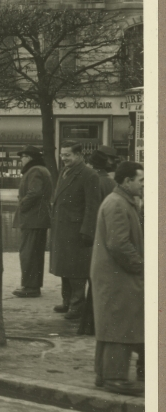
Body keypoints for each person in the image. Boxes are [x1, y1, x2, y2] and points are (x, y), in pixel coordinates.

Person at [90, 161, 144, 395]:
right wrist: (141, 266)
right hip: (116, 275)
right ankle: (114, 378)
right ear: (126, 181)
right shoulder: (117, 204)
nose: (143, 185)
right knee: (119, 324)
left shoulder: (121, 201)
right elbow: (119, 244)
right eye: (140, 180)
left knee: (113, 323)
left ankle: (105, 375)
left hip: (113, 273)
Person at [48, 143, 101, 320]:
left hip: (76, 232)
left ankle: (77, 305)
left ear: (79, 155)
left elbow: (92, 206)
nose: (63, 158)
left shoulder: (88, 174)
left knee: (77, 270)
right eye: (62, 155)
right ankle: (68, 301)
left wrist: (87, 231)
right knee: (65, 268)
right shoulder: (65, 172)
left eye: (68, 155)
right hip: (63, 230)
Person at [77, 146, 118, 335]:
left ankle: (88, 324)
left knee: (95, 282)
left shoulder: (92, 180)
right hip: (107, 235)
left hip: (96, 236)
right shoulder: (109, 183)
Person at [11, 146, 52, 297]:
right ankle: (32, 285)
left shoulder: (34, 171)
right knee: (34, 253)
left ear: (29, 158)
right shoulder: (41, 170)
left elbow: (35, 192)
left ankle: (30, 287)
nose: (21, 160)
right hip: (38, 218)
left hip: (33, 218)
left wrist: (22, 205)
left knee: (29, 253)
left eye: (22, 157)